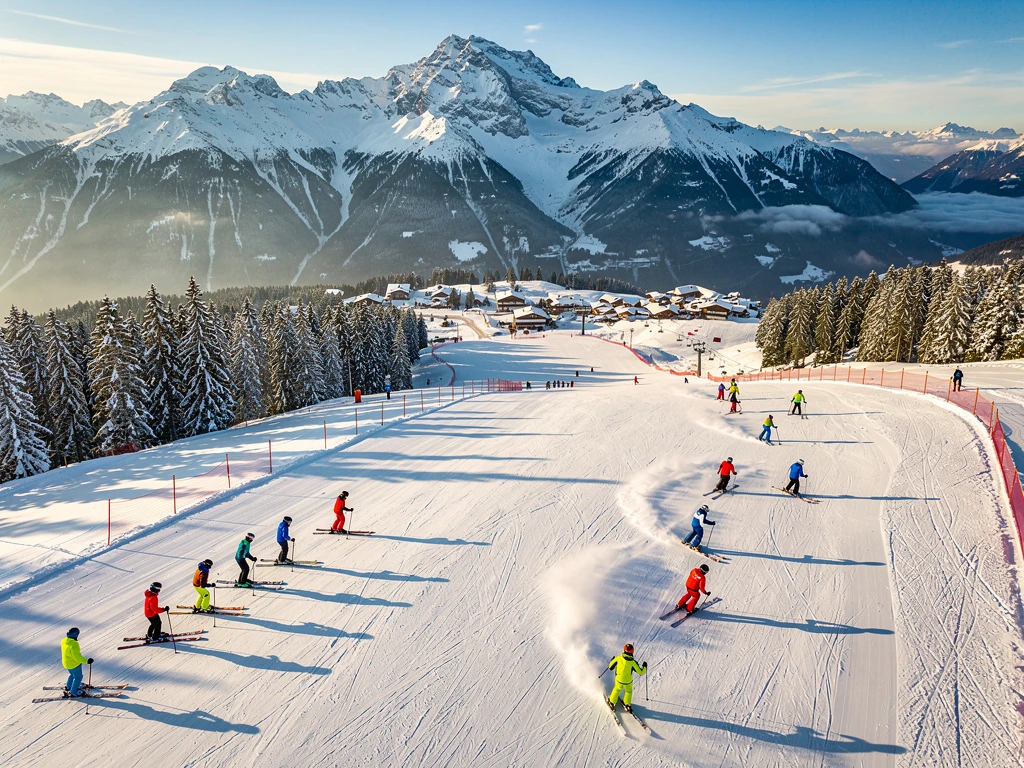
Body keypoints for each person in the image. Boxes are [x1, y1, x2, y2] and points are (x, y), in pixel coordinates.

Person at [606, 643, 647, 713]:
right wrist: (644, 667)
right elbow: (641, 672)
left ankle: (612, 702)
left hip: (619, 679)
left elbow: (610, 667)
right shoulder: (633, 663)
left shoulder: (618, 658)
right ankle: (627, 704)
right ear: (632, 652)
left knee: (617, 689)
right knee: (628, 691)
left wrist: (612, 660)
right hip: (628, 681)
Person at [61, 627, 93, 697]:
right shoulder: (74, 644)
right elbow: (77, 658)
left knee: (72, 675)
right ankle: (73, 692)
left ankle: (68, 687)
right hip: (74, 664)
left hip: (66, 663)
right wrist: (87, 661)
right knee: (78, 677)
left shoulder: (64, 641)